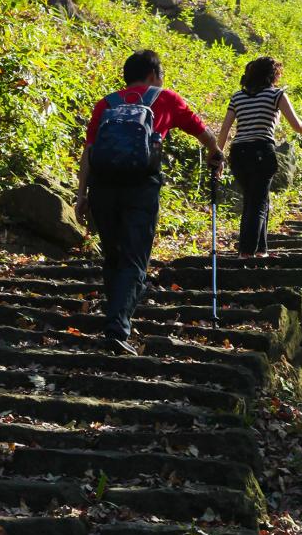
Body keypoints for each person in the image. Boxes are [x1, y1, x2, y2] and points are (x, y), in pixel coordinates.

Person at [76, 49, 223, 355]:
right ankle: (117, 327)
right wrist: (215, 153)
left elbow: (89, 152)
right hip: (140, 187)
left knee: (114, 257)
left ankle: (117, 318)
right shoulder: (165, 98)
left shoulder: (107, 103)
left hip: (103, 187)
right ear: (154, 74)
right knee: (135, 258)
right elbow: (202, 131)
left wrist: (81, 195)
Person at [214, 56, 302, 258]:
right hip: (261, 150)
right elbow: (295, 124)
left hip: (239, 152)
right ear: (272, 75)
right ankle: (247, 252)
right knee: (258, 202)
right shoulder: (277, 95)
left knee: (254, 200)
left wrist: (218, 156)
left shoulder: (237, 97)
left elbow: (225, 129)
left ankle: (260, 250)